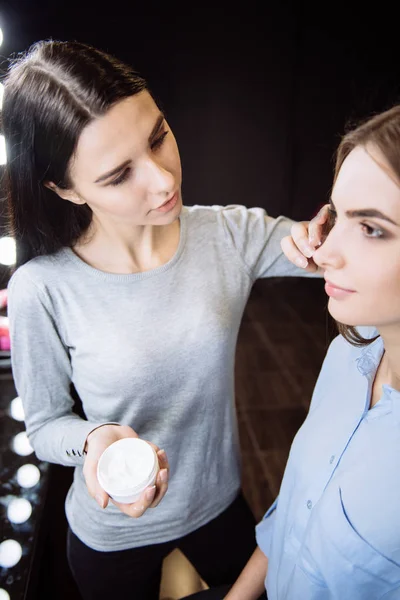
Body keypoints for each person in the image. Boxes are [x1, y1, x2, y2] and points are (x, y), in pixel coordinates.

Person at [3, 40, 321, 600]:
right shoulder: (42, 289)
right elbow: (47, 426)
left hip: (218, 501)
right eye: (119, 174)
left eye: (158, 137)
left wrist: (348, 226)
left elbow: (331, 252)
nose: (162, 179)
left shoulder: (228, 235)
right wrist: (96, 439)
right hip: (112, 533)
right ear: (64, 188)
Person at [185, 104, 400, 600]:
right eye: (337, 216)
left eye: (370, 228)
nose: (323, 253)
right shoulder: (349, 354)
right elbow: (297, 506)